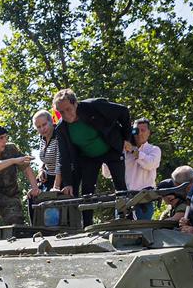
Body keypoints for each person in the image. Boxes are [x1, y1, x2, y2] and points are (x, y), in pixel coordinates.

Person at [51, 89, 133, 225]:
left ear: (75, 104)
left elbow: (123, 111)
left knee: (120, 185)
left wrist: (126, 139)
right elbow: (64, 157)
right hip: (88, 157)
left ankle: (125, 218)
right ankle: (87, 224)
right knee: (87, 190)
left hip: (110, 148)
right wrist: (68, 183)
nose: (66, 114)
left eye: (68, 109)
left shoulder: (93, 106)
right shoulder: (61, 129)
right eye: (61, 112)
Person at [124, 119, 162, 217]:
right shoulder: (124, 152)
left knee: (143, 230)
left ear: (149, 132)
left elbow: (150, 164)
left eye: (143, 130)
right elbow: (107, 174)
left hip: (144, 200)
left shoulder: (154, 150)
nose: (139, 133)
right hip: (124, 200)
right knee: (122, 231)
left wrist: (133, 150)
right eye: (136, 130)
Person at [33, 109, 61, 190]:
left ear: (51, 121)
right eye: (38, 127)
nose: (42, 129)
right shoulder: (42, 137)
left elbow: (60, 162)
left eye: (44, 124)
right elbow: (45, 157)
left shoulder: (59, 135)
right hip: (49, 178)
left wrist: (56, 187)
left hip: (62, 178)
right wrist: (42, 169)